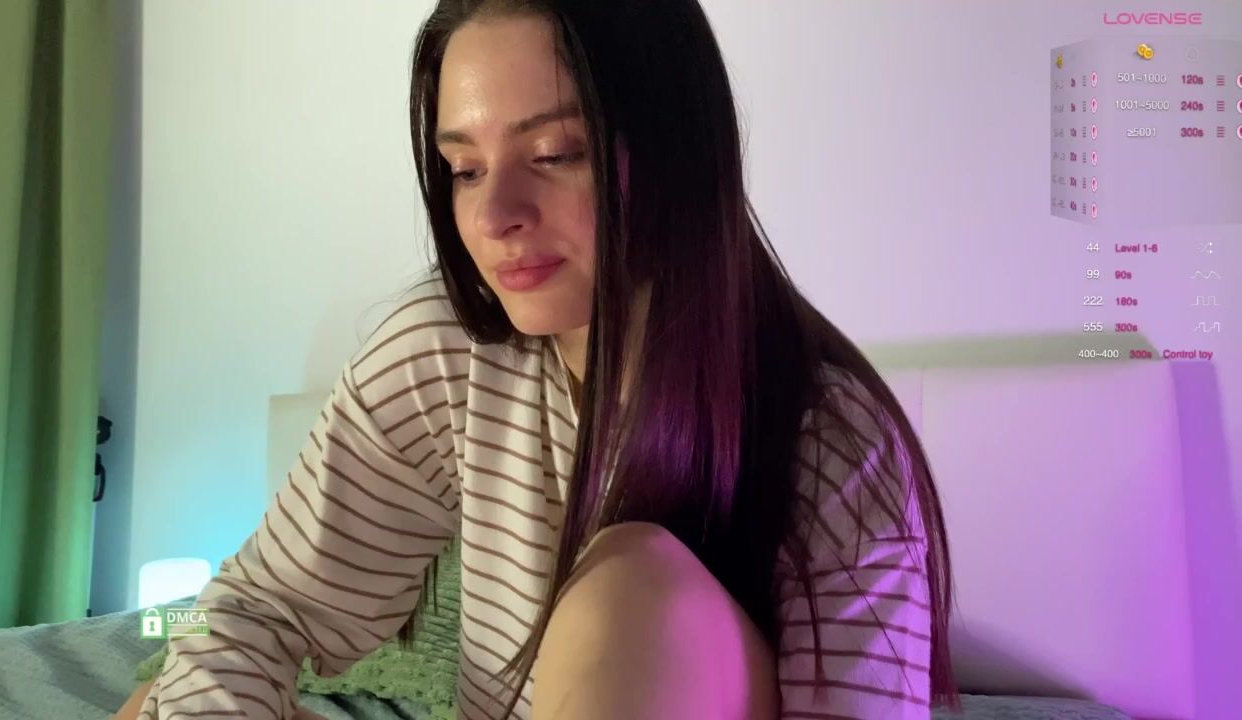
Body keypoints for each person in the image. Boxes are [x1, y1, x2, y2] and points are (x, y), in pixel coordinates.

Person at [115, 1, 959, 718]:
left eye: (555, 154)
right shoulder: (446, 354)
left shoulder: (830, 443)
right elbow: (246, 606)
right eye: (463, 168)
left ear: (676, 149)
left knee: (630, 593)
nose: (493, 216)